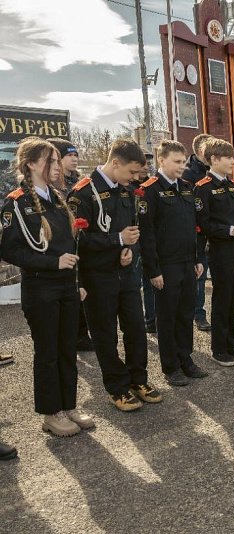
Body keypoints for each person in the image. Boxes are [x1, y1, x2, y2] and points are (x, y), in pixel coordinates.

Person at [1, 137, 94, 436]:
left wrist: (77, 282)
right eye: (49, 161)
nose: (56, 166)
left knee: (67, 349)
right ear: (30, 164)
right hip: (41, 288)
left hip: (67, 286)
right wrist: (53, 263)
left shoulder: (57, 197)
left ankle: (68, 405)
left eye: (56, 161)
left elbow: (71, 245)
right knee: (48, 352)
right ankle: (51, 413)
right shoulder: (17, 202)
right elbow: (10, 250)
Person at [67, 139, 162, 412]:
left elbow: (132, 231)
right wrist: (116, 240)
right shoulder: (83, 193)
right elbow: (77, 240)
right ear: (116, 163)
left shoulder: (127, 190)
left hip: (126, 273)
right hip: (97, 276)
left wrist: (129, 249)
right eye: (132, 172)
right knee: (105, 334)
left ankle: (138, 379)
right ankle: (117, 387)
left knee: (135, 328)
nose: (135, 178)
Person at [138, 140, 208, 386]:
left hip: (187, 262)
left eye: (184, 162)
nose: (181, 166)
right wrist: (153, 270)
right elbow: (146, 234)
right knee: (167, 317)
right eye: (176, 162)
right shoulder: (149, 190)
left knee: (186, 313)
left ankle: (185, 359)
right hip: (165, 265)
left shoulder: (187, 187)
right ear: (161, 160)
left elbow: (193, 227)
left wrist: (197, 258)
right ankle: (171, 367)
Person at [194, 138, 234, 366]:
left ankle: (231, 344)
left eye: (233, 157)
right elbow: (203, 224)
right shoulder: (203, 187)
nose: (233, 162)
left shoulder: (231, 186)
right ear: (214, 159)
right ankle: (219, 348)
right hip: (220, 250)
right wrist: (231, 230)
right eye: (229, 158)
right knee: (222, 298)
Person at [48, 138, 93, 352]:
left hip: (80, 244)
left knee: (81, 289)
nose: (74, 159)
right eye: (69, 155)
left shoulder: (79, 183)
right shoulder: (52, 186)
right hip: (60, 247)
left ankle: (81, 334)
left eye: (76, 155)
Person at [183, 133, 213, 332]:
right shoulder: (188, 174)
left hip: (216, 232)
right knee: (199, 276)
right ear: (200, 150)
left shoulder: (213, 170)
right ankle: (198, 314)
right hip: (198, 233)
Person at [133, 158, 157, 333]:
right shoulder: (127, 185)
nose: (145, 168)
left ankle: (151, 319)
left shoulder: (151, 187)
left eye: (147, 164)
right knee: (134, 285)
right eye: (141, 165)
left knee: (150, 283)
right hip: (132, 243)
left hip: (149, 242)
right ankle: (137, 321)